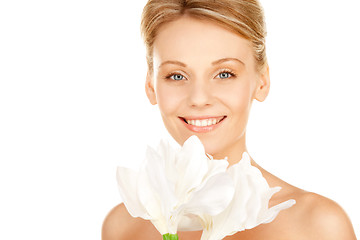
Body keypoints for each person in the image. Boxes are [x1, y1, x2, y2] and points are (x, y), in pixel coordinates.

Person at [102, 0, 357, 239]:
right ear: (150, 85)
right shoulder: (124, 227)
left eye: (224, 74)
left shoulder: (317, 227)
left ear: (262, 81)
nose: (199, 98)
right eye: (177, 76)